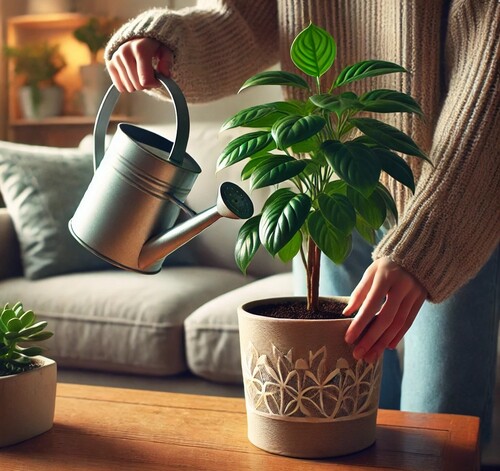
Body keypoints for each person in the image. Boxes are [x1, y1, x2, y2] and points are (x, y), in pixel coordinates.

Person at [104, 0, 500, 442]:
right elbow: (238, 20)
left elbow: (489, 74)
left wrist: (431, 237)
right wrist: (164, 42)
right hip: (327, 203)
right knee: (338, 426)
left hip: (451, 203)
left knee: (439, 432)